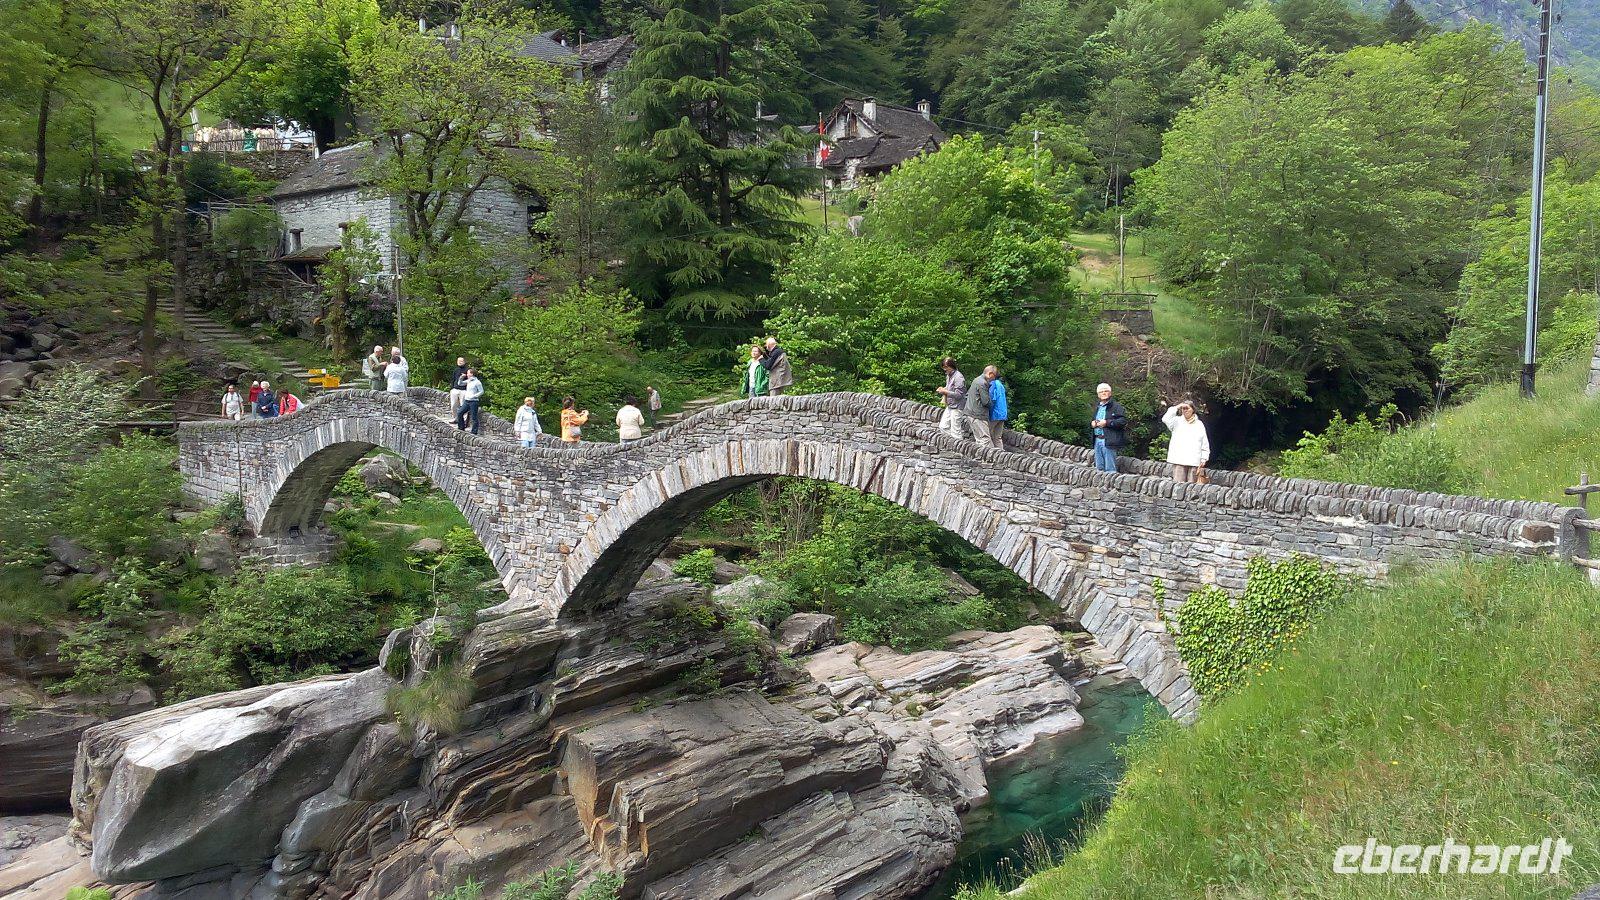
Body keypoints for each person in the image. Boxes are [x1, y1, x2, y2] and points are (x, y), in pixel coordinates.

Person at [1162, 400, 1211, 483]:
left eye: (1187, 408)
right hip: (1179, 460)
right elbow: (1165, 418)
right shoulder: (1176, 422)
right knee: (1178, 486)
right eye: (1183, 409)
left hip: (1194, 460)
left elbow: (1204, 442)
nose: (1185, 410)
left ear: (1193, 410)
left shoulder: (1199, 424)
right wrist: (1178, 406)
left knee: (1192, 487)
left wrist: (1204, 458)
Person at [1090, 382, 1128, 473]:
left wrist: (1107, 423)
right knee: (1099, 468)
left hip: (1109, 441)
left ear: (1110, 393)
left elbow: (1122, 422)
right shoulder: (1097, 407)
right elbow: (1093, 420)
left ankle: (1110, 486)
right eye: (1101, 392)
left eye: (1106, 391)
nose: (1103, 393)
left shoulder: (1117, 407)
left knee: (1110, 470)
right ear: (1098, 395)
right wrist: (1093, 424)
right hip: (1097, 440)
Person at [935, 357, 968, 439]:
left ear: (951, 366)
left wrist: (945, 392)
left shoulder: (959, 377)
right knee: (943, 426)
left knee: (956, 431)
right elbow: (948, 387)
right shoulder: (948, 376)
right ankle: (953, 443)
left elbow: (959, 395)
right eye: (944, 367)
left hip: (957, 406)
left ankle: (958, 446)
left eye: (946, 367)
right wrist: (943, 389)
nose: (945, 369)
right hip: (950, 405)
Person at [963, 366, 995, 448]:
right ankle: (987, 460)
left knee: (979, 440)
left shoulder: (976, 380)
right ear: (990, 374)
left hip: (970, 413)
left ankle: (980, 459)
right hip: (978, 415)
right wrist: (993, 403)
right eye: (994, 376)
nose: (993, 379)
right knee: (985, 440)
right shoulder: (983, 383)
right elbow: (986, 402)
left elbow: (967, 395)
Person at [986, 366, 1008, 449]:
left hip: (995, 413)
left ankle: (991, 453)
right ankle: (1001, 455)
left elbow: (991, 399)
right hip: (1003, 414)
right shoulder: (1001, 385)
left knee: (987, 434)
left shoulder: (993, 384)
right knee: (997, 437)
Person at [457, 368, 484, 434]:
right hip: (467, 401)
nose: (467, 374)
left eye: (468, 373)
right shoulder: (469, 380)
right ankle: (461, 427)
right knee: (460, 412)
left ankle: (474, 431)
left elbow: (481, 391)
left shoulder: (477, 382)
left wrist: (474, 396)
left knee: (474, 417)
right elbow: (460, 384)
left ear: (472, 374)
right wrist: (461, 378)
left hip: (473, 402)